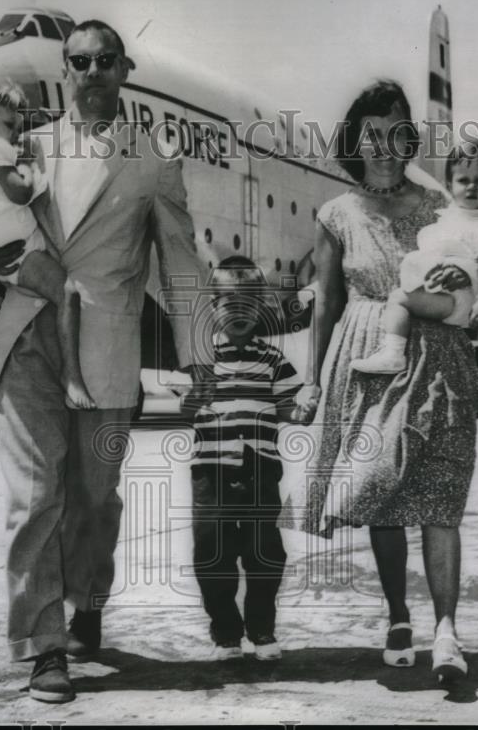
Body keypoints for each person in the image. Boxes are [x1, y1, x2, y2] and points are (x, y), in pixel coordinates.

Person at [0, 19, 213, 703]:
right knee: (33, 497)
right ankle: (44, 647)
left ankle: (88, 602)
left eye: (105, 60)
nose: (92, 72)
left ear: (125, 68)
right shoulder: (27, 148)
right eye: (79, 62)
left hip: (104, 341)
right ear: (66, 69)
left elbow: (181, 261)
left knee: (94, 499)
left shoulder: (152, 157)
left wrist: (197, 354)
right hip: (27, 336)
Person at [294, 80, 478, 683]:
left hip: (441, 364)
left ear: (410, 141)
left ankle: (446, 631)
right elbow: (326, 303)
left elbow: (473, 288)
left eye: (397, 133)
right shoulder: (336, 215)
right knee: (382, 493)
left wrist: (473, 297)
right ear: (356, 141)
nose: (384, 146)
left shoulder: (440, 209)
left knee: (441, 500)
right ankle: (399, 613)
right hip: (371, 359)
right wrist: (313, 382)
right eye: (371, 134)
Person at [0, 80, 95, 410]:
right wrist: (26, 162)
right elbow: (20, 192)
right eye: (9, 125)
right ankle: (73, 375)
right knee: (68, 293)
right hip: (16, 242)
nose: (15, 134)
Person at [184, 257, 300, 662]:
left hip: (259, 469)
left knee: (265, 551)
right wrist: (195, 395)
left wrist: (305, 408)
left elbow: (287, 408)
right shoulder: (199, 359)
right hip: (210, 473)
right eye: (227, 302)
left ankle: (262, 630)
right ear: (211, 307)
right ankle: (226, 633)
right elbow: (186, 409)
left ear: (262, 307)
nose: (238, 311)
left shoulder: (273, 359)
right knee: (212, 552)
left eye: (248, 302)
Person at [351, 138, 478, 373]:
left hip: (457, 300)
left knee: (399, 299)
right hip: (447, 294)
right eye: (463, 180)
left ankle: (393, 354)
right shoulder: (453, 220)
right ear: (450, 184)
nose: (471, 187)